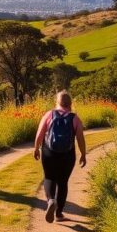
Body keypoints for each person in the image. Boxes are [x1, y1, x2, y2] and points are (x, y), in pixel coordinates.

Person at [33, 90, 86, 222]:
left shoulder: (49, 115)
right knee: (63, 182)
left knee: (49, 177)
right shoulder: (75, 118)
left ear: (57, 102)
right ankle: (59, 213)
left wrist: (36, 148)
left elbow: (40, 133)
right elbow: (80, 138)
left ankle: (51, 200)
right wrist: (83, 154)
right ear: (70, 103)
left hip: (49, 152)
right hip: (67, 155)